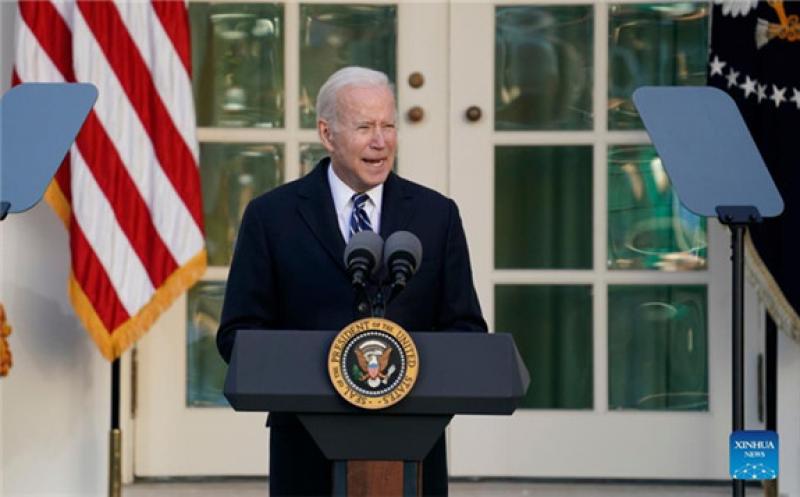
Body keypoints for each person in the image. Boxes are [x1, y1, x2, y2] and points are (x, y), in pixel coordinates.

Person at [217, 66, 487, 497]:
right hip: (305, 448)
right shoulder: (272, 217)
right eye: (364, 127)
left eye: (388, 126)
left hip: (413, 447)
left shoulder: (437, 215)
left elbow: (466, 330)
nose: (380, 141)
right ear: (327, 134)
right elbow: (238, 334)